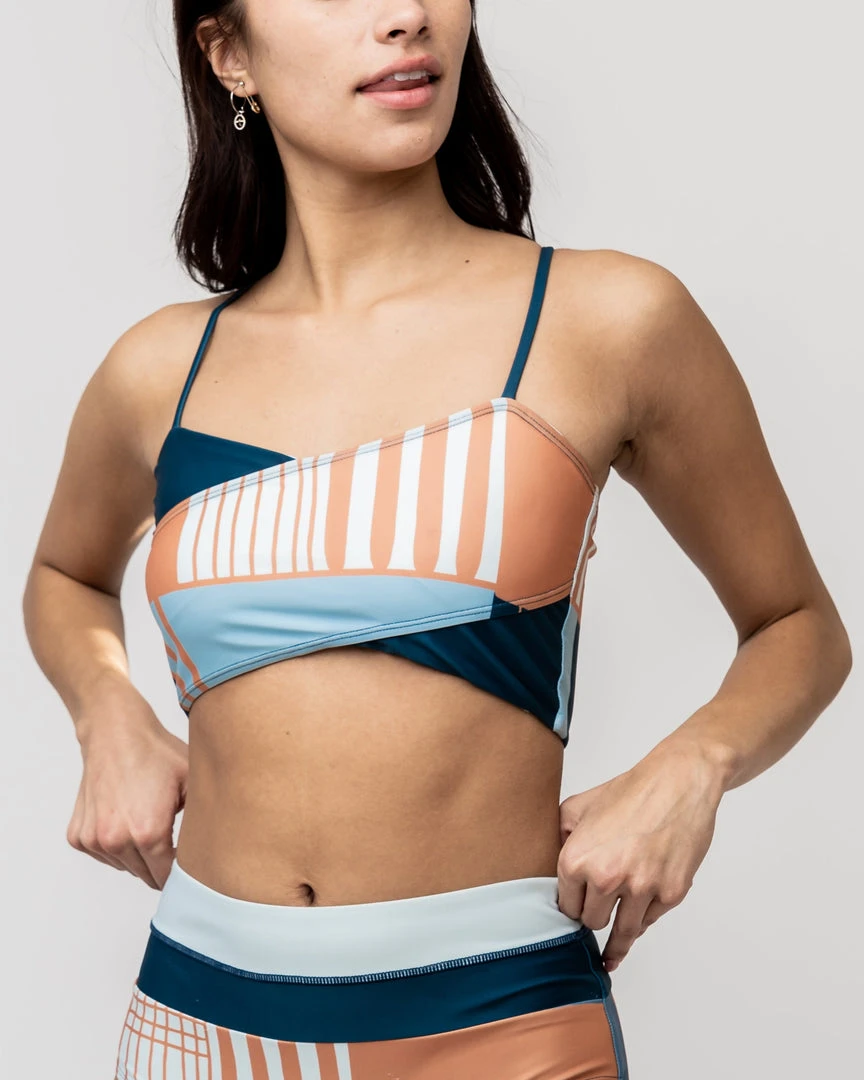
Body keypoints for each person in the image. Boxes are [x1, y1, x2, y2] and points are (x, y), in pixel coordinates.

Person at [21, 2, 852, 1078]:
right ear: (230, 54)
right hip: (199, 1020)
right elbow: (65, 574)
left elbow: (798, 626)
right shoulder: (160, 370)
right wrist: (107, 715)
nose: (406, 14)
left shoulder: (607, 320)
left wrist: (694, 765)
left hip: (498, 1021)